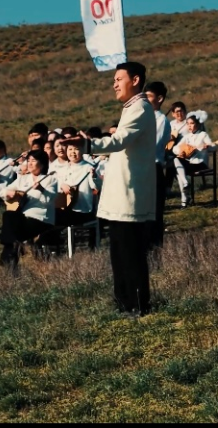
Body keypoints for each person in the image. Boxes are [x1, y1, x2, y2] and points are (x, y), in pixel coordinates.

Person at [84, 61, 157, 315]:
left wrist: (88, 145)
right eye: (114, 80)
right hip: (121, 195)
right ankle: (124, 302)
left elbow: (119, 140)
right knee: (119, 252)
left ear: (135, 80)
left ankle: (137, 304)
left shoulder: (140, 108)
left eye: (118, 79)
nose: (114, 84)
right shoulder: (131, 108)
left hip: (130, 194)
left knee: (130, 253)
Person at [0, 150, 61, 268]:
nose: (30, 163)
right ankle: (11, 254)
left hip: (41, 218)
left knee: (13, 226)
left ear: (42, 163)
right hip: (23, 217)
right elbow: (2, 192)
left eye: (33, 161)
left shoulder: (50, 179)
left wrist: (42, 189)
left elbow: (49, 200)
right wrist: (8, 193)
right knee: (8, 215)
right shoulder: (23, 178)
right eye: (29, 160)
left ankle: (8, 258)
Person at [144, 81, 173, 249]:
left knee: (154, 215)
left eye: (149, 96)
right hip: (141, 170)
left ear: (159, 99)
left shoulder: (161, 120)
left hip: (153, 169)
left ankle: (154, 252)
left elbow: (152, 146)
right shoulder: (142, 117)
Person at [171, 112, 214, 207]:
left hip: (200, 163)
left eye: (192, 123)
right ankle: (185, 183)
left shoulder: (203, 135)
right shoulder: (187, 136)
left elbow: (214, 146)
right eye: (188, 124)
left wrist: (208, 147)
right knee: (175, 160)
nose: (189, 126)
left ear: (197, 124)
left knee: (178, 172)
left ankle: (184, 198)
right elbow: (175, 148)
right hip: (190, 163)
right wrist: (180, 151)